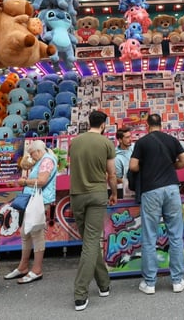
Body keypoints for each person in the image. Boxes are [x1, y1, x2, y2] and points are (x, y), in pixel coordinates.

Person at [129, 114, 184, 294]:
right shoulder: (172, 140)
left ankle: (150, 283)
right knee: (175, 235)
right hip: (171, 188)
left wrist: (146, 168)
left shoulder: (142, 142)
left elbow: (133, 166)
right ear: (161, 124)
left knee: (149, 236)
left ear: (147, 125)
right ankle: (177, 281)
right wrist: (172, 167)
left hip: (151, 190)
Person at [69, 110, 117, 312]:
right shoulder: (106, 143)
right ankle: (80, 293)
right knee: (91, 243)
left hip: (76, 196)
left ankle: (104, 284)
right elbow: (112, 174)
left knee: (88, 241)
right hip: (97, 194)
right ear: (104, 125)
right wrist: (114, 192)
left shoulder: (75, 142)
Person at [4, 140, 58, 284]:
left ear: (38, 151)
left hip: (39, 201)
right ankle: (23, 266)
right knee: (25, 232)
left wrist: (25, 181)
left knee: (36, 233)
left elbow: (41, 181)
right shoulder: (44, 160)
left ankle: (36, 269)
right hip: (35, 200)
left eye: (32, 154)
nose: (31, 157)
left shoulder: (46, 160)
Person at [114, 127, 133, 199]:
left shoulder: (135, 147)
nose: (130, 139)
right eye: (127, 137)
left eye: (130, 136)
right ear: (120, 140)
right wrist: (130, 182)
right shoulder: (117, 158)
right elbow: (117, 178)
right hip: (128, 191)